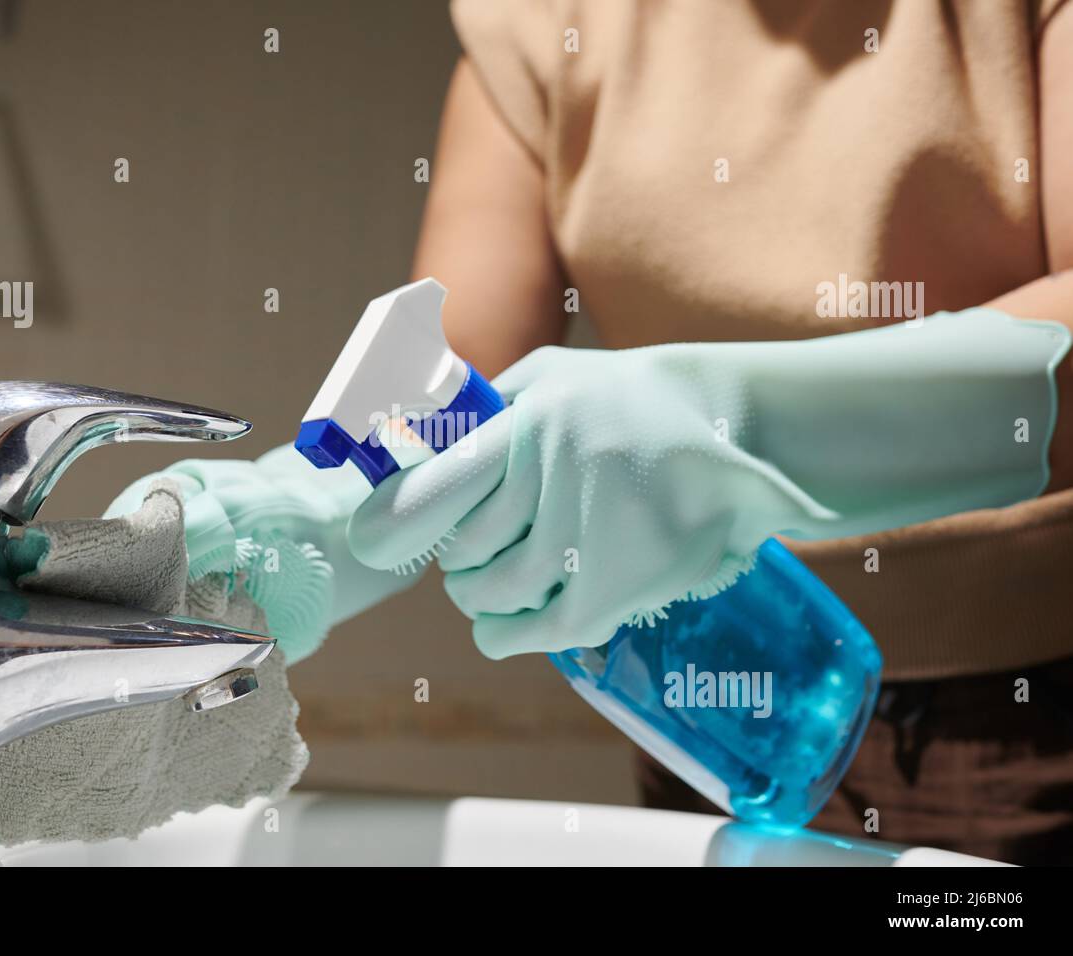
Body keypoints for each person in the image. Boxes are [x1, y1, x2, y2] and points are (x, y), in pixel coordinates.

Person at [111, 1, 1073, 864]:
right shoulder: (542, 23)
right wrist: (301, 516)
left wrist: (735, 431)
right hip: (703, 698)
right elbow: (450, 392)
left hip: (1031, 712)